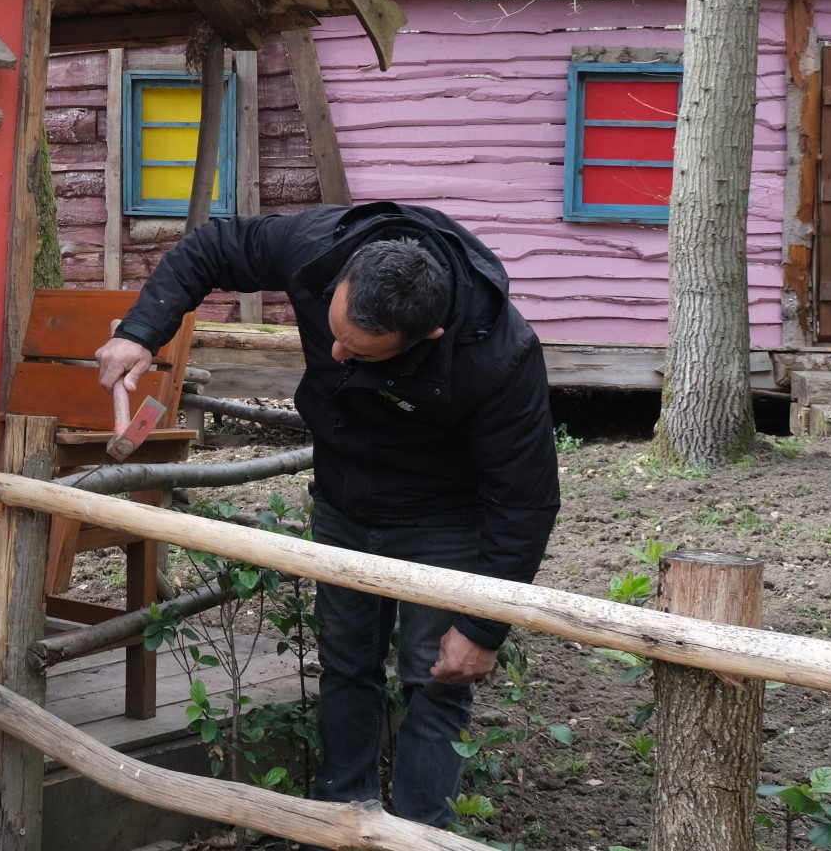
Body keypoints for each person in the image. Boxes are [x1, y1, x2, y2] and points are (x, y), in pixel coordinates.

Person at [94, 201, 559, 829]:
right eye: (332, 330)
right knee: (346, 664)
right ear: (343, 279)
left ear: (429, 337)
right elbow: (212, 247)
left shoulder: (500, 356)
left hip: (444, 512)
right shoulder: (318, 247)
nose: (334, 352)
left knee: (439, 678)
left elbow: (524, 500)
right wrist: (140, 331)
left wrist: (481, 628)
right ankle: (342, 825)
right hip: (344, 494)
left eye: (360, 352)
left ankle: (420, 839)